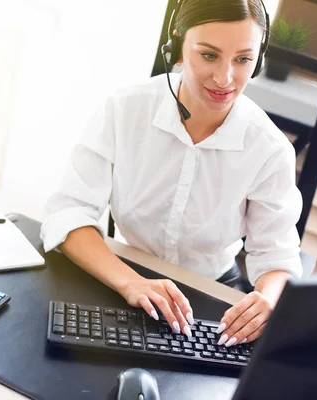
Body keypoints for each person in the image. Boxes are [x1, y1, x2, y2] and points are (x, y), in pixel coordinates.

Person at [40, 0, 303, 347]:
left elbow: (277, 257)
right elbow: (68, 214)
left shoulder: (269, 149)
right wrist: (130, 282)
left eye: (243, 59)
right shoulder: (124, 110)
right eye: (209, 55)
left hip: (211, 291)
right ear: (177, 47)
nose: (225, 78)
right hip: (123, 273)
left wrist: (269, 298)